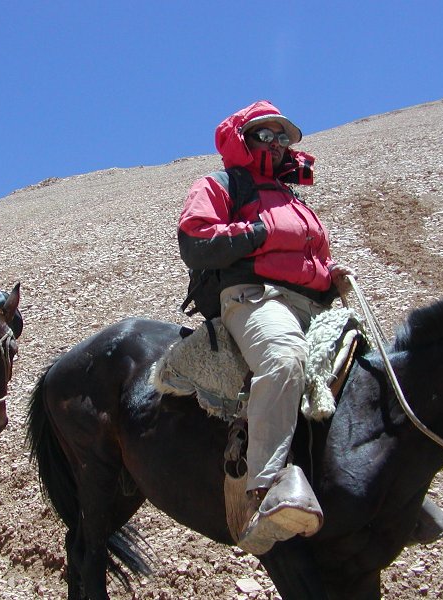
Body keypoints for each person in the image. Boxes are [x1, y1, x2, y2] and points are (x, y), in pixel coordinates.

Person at [177, 100, 352, 553]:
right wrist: (257, 232)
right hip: (254, 296)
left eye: (282, 137)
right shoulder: (221, 184)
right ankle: (267, 489)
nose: (275, 145)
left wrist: (330, 273)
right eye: (264, 134)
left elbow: (307, 252)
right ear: (243, 138)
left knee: (363, 358)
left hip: (311, 298)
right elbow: (195, 240)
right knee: (283, 359)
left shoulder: (293, 196)